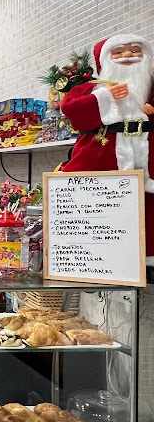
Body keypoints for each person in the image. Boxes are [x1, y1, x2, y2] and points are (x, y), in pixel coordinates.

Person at [60, 34, 154, 262]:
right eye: (119, 52)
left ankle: (147, 256)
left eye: (134, 50)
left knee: (147, 210)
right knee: (99, 214)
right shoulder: (89, 88)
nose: (127, 56)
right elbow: (71, 110)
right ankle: (96, 259)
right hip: (102, 157)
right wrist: (106, 97)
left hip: (147, 157)